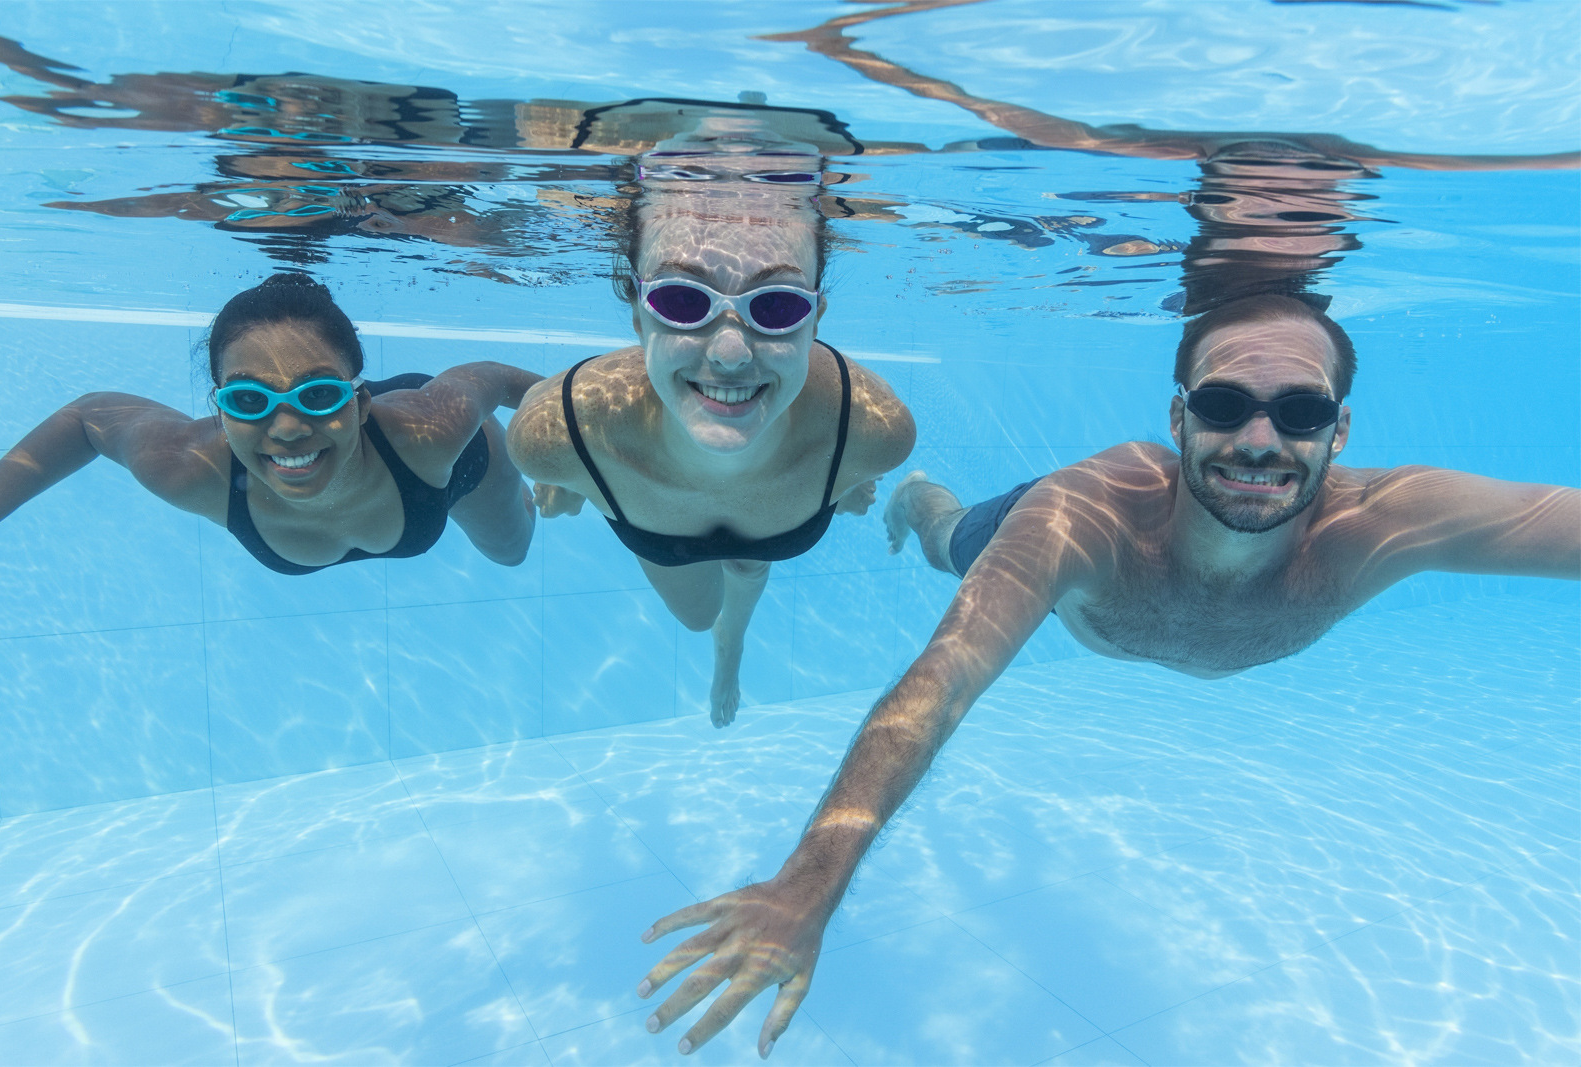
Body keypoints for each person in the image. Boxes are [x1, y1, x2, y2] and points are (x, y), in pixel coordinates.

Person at [633, 293, 1580, 1057]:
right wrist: (808, 882)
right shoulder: (1080, 518)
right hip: (1043, 544)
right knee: (947, 542)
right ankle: (917, 499)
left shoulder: (1384, 521)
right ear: (1178, 417)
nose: (1259, 441)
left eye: (1300, 411)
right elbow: (940, 682)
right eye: (1223, 406)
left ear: (1338, 430)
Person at [509, 150, 915, 726]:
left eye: (776, 305)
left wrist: (847, 478)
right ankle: (718, 630)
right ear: (638, 317)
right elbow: (546, 429)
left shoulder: (873, 431)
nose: (730, 354)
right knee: (698, 615)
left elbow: (860, 452)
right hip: (651, 503)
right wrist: (573, 473)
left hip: (768, 508)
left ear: (814, 322)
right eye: (681, 301)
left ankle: (733, 645)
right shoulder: (558, 434)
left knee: (749, 566)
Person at [0, 273, 538, 571]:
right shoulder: (189, 469)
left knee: (510, 553)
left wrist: (561, 457)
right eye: (250, 400)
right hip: (352, 432)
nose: (287, 427)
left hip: (450, 461)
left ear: (361, 401)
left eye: (317, 392)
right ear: (220, 410)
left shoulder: (432, 429)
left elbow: (492, 378)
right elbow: (87, 418)